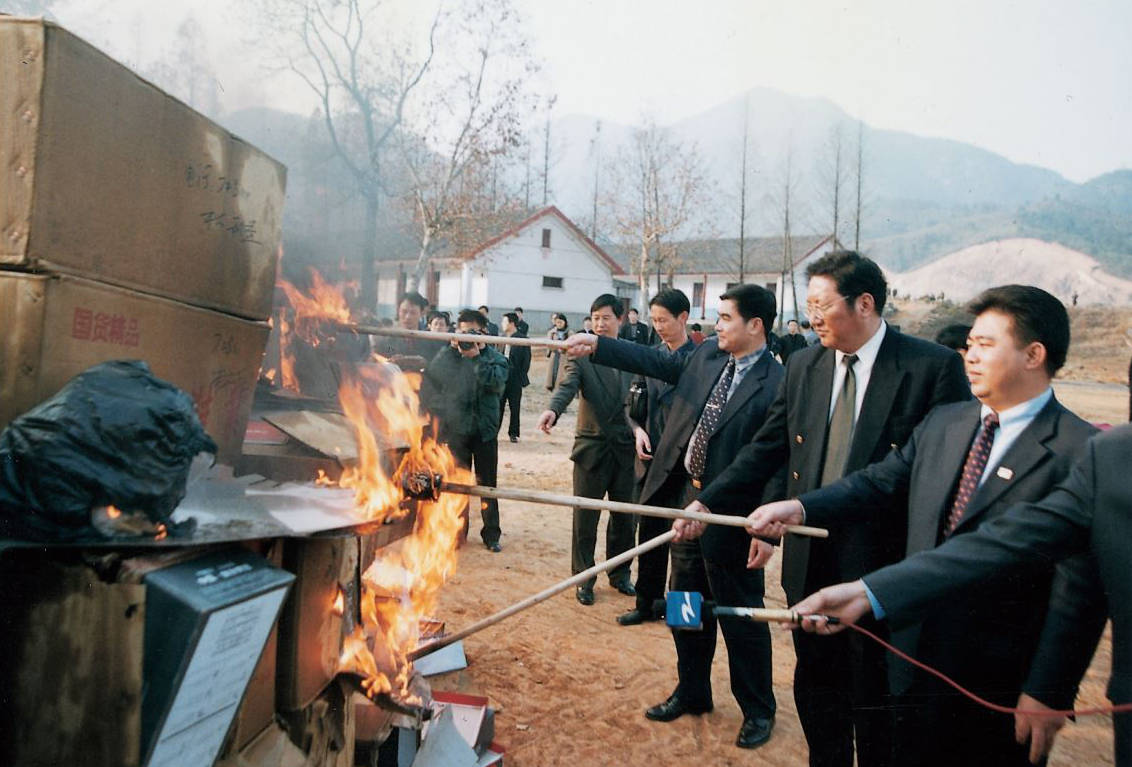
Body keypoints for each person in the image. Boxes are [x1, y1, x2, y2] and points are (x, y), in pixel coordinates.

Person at [746, 285, 1097, 767]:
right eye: (970, 343)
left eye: (986, 345)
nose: (970, 356)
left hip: (999, 678)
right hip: (910, 651)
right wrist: (803, 508)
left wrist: (1048, 687)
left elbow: (1078, 593)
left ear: (1034, 354)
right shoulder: (946, 423)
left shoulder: (1079, 452)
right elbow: (879, 482)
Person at [680, 250, 969, 767]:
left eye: (821, 304)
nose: (812, 316)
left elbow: (928, 476)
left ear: (864, 303)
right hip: (810, 563)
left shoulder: (931, 368)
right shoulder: (805, 364)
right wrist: (705, 502)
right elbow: (766, 449)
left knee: (877, 698)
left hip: (884, 566)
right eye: (808, 304)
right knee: (818, 689)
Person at [790, 425, 1125, 765]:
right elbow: (1001, 543)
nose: (971, 366)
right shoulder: (1114, 452)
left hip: (1002, 675)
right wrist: (868, 593)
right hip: (921, 668)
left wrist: (1050, 685)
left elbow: (1076, 586)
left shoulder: (1081, 445)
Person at [564, 284, 784, 750]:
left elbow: (777, 458)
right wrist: (599, 344)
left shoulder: (777, 383)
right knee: (686, 606)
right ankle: (692, 689)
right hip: (685, 503)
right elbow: (656, 362)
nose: (717, 325)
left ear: (755, 325)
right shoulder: (704, 358)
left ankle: (758, 709)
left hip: (736, 519)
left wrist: (769, 534)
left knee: (738, 617)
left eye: (726, 318)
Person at [537, 295, 637, 605]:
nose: (600, 324)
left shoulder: (634, 356)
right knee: (585, 519)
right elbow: (567, 385)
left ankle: (620, 574)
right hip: (592, 449)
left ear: (620, 320)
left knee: (625, 519)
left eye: (606, 317)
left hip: (627, 450)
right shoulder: (581, 355)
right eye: (595, 318)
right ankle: (583, 577)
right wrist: (553, 410)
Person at [618, 289, 695, 627]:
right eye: (654, 320)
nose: (659, 327)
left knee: (685, 547)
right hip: (649, 462)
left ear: (684, 318)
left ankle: (682, 613)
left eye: (665, 320)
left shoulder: (702, 361)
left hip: (686, 467)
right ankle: (646, 602)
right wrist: (637, 429)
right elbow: (632, 405)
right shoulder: (649, 357)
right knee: (648, 536)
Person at [419, 309, 509, 552]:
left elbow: (495, 382)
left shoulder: (496, 358)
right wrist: (452, 348)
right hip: (457, 429)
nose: (467, 336)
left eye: (472, 331)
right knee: (458, 484)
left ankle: (492, 534)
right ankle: (458, 532)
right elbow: (434, 375)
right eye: (463, 331)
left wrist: (476, 357)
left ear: (485, 332)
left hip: (485, 432)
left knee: (488, 485)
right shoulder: (450, 355)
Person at [375, 291, 440, 372]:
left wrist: (426, 363)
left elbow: (437, 366)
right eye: (404, 311)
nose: (408, 317)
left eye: (413, 313)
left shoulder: (431, 341)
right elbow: (378, 361)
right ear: (398, 310)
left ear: (422, 313)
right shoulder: (386, 339)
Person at [499, 312, 530, 443]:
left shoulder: (522, 339)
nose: (502, 324)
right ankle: (494, 431)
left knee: (514, 407)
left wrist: (520, 377)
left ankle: (513, 433)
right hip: (501, 378)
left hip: (515, 378)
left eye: (504, 322)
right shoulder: (501, 339)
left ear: (511, 323)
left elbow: (526, 361)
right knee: (498, 406)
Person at [545, 313, 569, 391]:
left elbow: (571, 344)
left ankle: (561, 386)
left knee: (562, 372)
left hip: (564, 355)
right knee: (553, 371)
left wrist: (564, 348)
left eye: (561, 322)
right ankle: (551, 385)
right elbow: (548, 344)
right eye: (557, 322)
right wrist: (555, 348)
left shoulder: (569, 332)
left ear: (565, 322)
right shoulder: (552, 332)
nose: (559, 324)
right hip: (554, 354)